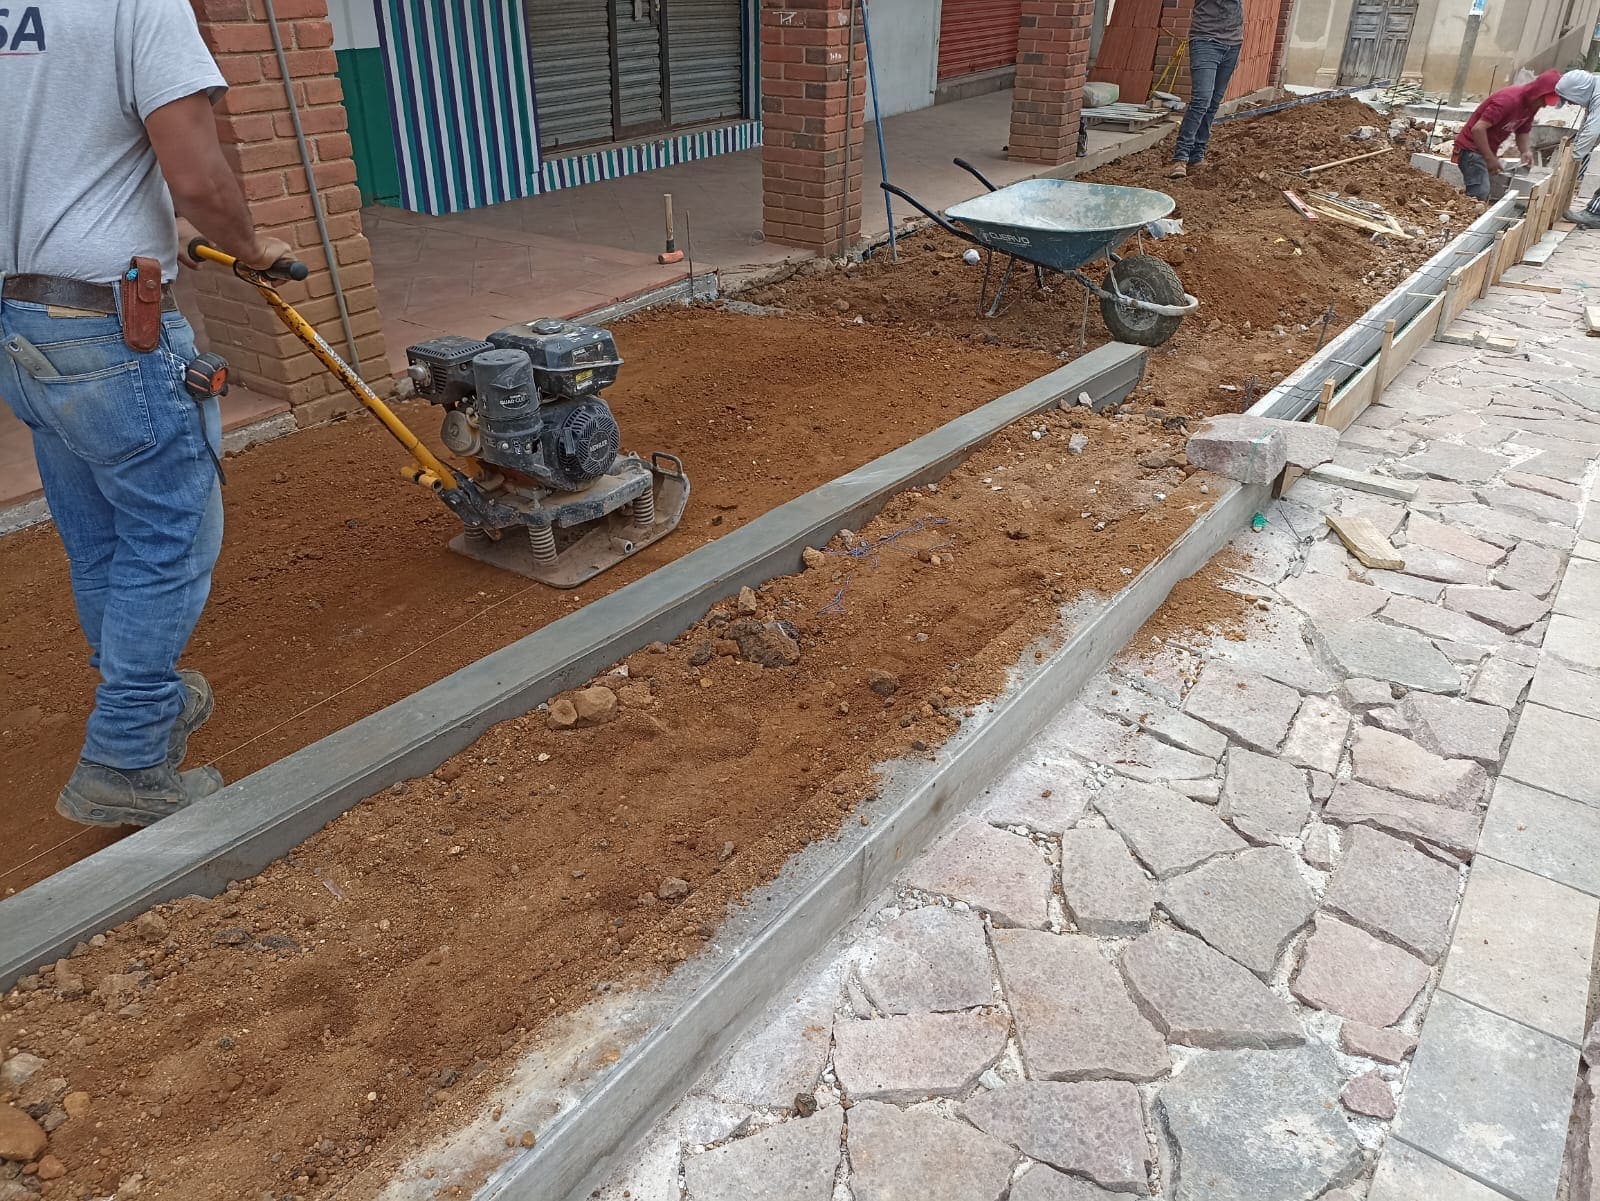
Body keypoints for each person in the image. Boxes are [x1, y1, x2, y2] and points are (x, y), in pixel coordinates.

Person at [1, 0, 290, 827]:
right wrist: (251, 246)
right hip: (109, 332)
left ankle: (146, 698)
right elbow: (196, 175)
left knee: (99, 536)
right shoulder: (136, 3)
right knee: (169, 536)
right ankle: (126, 758)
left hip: (23, 327)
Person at [1452, 70, 1562, 200]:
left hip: (1485, 150)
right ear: (1537, 93)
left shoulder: (1531, 106)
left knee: (1485, 190)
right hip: (1470, 149)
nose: (1544, 106)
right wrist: (1490, 158)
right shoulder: (1508, 101)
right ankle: (1466, 211)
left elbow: (1522, 131)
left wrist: (1525, 151)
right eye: (1544, 101)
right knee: (1480, 192)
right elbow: (1478, 129)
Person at [1167, 0, 1245, 179]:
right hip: (1206, 40)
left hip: (1233, 42)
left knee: (1213, 103)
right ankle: (1181, 157)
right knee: (1201, 100)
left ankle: (1197, 156)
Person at [1554, 69, 1600, 227]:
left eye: (1570, 99)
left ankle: (1595, 214)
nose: (1570, 104)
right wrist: (1576, 147)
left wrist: (1573, 158)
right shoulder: (1595, 89)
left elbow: (1592, 131)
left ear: (1579, 92)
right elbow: (1586, 125)